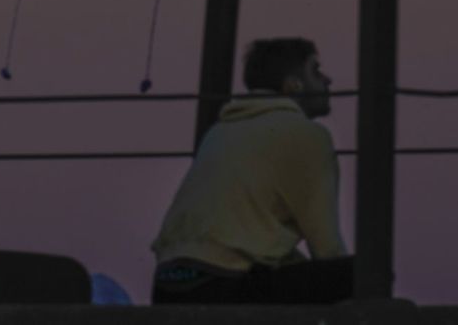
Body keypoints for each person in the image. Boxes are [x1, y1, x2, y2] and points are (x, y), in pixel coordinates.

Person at [150, 38, 353, 305]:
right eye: (315, 70)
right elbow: (326, 248)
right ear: (293, 84)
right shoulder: (307, 136)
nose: (328, 80)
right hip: (224, 284)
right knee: (362, 274)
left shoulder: (221, 130)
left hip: (168, 287)